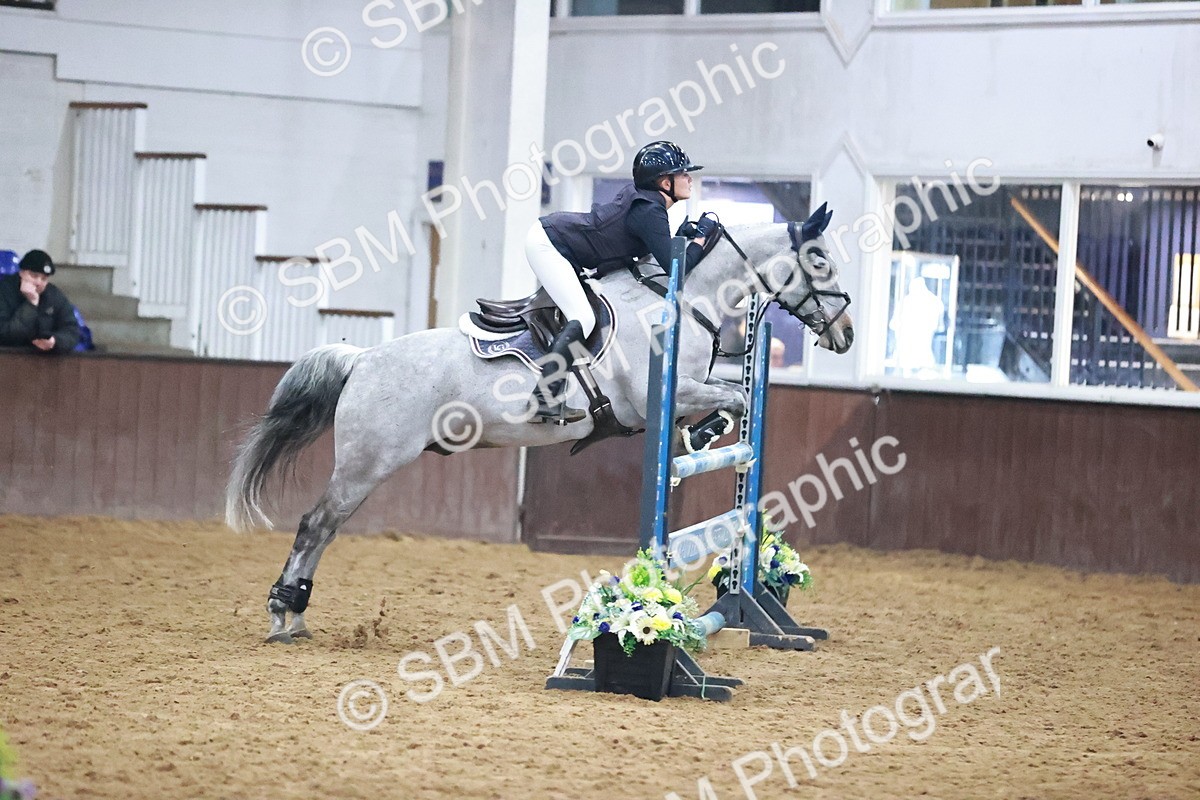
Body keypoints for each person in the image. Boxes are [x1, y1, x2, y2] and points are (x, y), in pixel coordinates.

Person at [529, 140, 718, 422]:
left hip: (563, 244)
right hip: (549, 244)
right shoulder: (649, 211)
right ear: (664, 182)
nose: (689, 178)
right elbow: (676, 269)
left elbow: (653, 247)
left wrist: (682, 234)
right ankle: (544, 398)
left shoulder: (649, 204)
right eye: (683, 174)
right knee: (583, 316)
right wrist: (701, 239)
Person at [0, 250, 82, 353]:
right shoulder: (4, 292)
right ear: (21, 273)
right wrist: (31, 304)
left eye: (44, 278)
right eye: (34, 276)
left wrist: (55, 341)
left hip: (43, 360)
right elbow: (5, 335)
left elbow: (72, 330)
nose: (38, 282)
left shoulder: (53, 295)